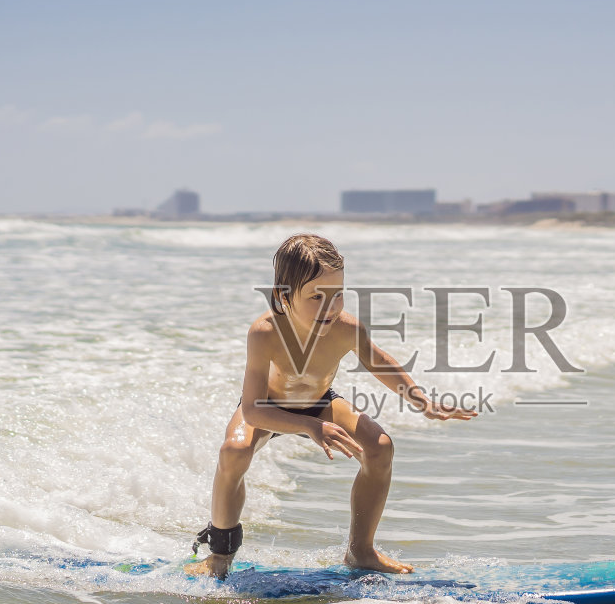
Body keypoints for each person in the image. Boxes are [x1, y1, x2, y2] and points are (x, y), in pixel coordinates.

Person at [186, 233, 476, 579]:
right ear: (284, 296)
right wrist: (309, 427)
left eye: (338, 295)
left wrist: (421, 399)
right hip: (269, 407)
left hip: (319, 403)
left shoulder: (346, 328)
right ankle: (220, 554)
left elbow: (379, 361)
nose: (330, 307)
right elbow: (251, 410)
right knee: (234, 452)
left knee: (380, 448)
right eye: (316, 296)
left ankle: (361, 551)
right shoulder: (264, 332)